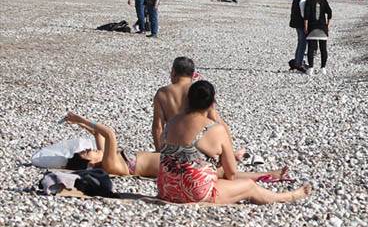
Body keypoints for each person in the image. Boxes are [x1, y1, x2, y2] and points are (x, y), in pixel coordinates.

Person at [158, 81, 312, 204]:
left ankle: (267, 175)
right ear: (212, 103)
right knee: (249, 187)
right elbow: (231, 173)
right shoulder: (214, 129)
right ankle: (289, 196)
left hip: (166, 189)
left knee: (213, 170)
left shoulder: (172, 122)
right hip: (193, 192)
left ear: (188, 100)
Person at [58, 112, 291, 182]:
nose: (92, 149)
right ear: (91, 162)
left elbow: (101, 136)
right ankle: (269, 175)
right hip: (175, 165)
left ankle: (264, 172)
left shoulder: (107, 159)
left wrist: (80, 123)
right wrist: (80, 118)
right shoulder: (109, 163)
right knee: (225, 174)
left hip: (173, 160)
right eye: (88, 152)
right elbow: (108, 133)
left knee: (223, 172)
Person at [152, 56, 241, 155]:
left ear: (173, 72)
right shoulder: (198, 91)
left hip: (174, 143)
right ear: (193, 74)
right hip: (199, 145)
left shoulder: (162, 93)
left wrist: (159, 152)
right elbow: (215, 118)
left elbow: (158, 126)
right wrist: (230, 149)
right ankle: (233, 155)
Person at [289, 0, 318, 72]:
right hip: (300, 24)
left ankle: (298, 61)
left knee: (300, 42)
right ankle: (299, 63)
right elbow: (303, 14)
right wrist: (307, 22)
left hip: (296, 23)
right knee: (302, 43)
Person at [304, 0, 333, 75]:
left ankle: (311, 68)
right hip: (322, 28)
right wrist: (328, 24)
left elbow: (306, 16)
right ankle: (323, 68)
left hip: (312, 28)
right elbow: (330, 12)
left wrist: (305, 28)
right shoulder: (324, 1)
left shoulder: (309, 1)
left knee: (311, 49)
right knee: (323, 49)